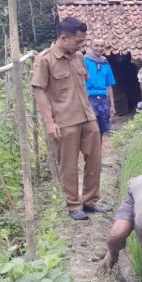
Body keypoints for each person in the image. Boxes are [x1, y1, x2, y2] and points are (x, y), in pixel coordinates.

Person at [31, 17, 109, 221]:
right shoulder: (44, 59)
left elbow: (83, 85)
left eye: (83, 42)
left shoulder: (78, 57)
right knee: (68, 165)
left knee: (95, 160)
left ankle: (90, 201)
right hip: (65, 120)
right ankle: (74, 206)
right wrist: (49, 122)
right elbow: (39, 92)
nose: (81, 45)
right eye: (78, 41)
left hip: (87, 116)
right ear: (64, 38)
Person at [84, 38, 116, 136]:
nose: (99, 48)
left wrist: (112, 105)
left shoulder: (105, 63)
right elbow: (79, 82)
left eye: (102, 46)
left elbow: (109, 85)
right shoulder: (84, 61)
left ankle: (98, 151)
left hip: (103, 101)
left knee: (102, 130)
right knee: (92, 130)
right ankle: (92, 151)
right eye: (96, 45)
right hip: (89, 99)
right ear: (91, 47)